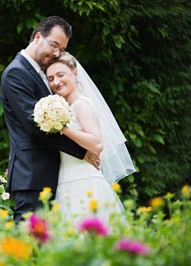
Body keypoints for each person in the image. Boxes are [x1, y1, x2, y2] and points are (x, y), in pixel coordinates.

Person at [0, 16, 99, 223]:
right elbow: (35, 125)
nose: (56, 53)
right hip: (32, 174)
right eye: (54, 45)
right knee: (29, 242)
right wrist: (81, 152)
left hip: (52, 174)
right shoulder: (16, 73)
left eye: (61, 50)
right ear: (38, 37)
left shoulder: (41, 73)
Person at [45, 52, 136, 225]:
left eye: (60, 75)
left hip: (84, 182)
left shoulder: (81, 104)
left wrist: (62, 128)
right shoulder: (65, 107)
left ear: (74, 72)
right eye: (50, 78)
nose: (56, 82)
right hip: (67, 180)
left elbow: (97, 144)